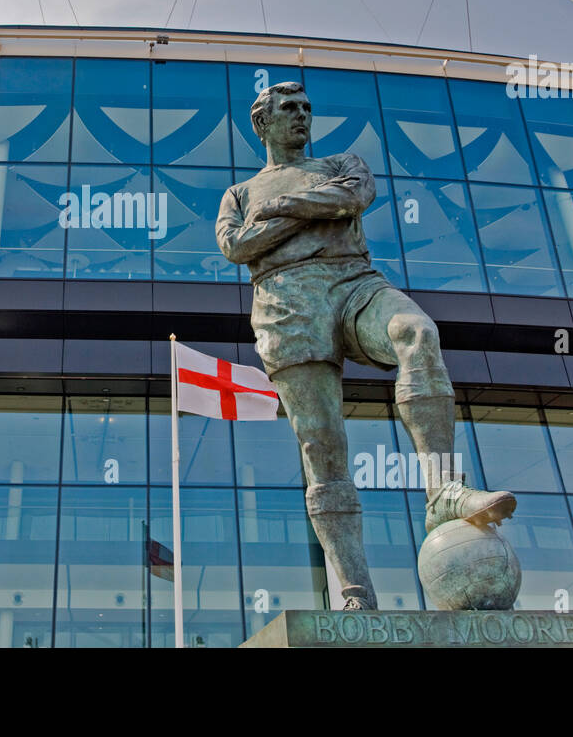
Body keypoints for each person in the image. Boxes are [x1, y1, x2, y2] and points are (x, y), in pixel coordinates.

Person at [215, 81, 515, 610]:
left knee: (417, 333)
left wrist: (283, 206)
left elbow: (354, 195)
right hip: (287, 304)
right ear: (262, 124)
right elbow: (238, 246)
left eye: (307, 107)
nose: (302, 115)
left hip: (355, 282)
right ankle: (356, 589)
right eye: (289, 109)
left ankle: (443, 490)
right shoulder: (238, 195)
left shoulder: (341, 161)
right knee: (321, 447)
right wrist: (315, 210)